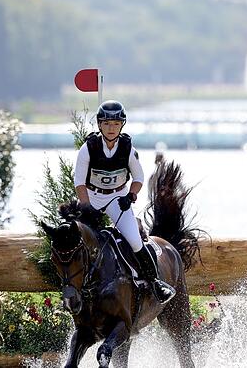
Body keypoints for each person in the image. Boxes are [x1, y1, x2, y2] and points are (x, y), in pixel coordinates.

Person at [73, 100, 176, 303]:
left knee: (136, 241)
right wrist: (86, 209)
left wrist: (130, 196)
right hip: (90, 197)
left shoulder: (128, 149)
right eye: (107, 124)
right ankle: (71, 288)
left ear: (122, 125)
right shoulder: (88, 149)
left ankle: (155, 282)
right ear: (99, 125)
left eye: (115, 124)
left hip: (116, 198)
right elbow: (79, 183)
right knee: (76, 240)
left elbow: (138, 178)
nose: (111, 128)